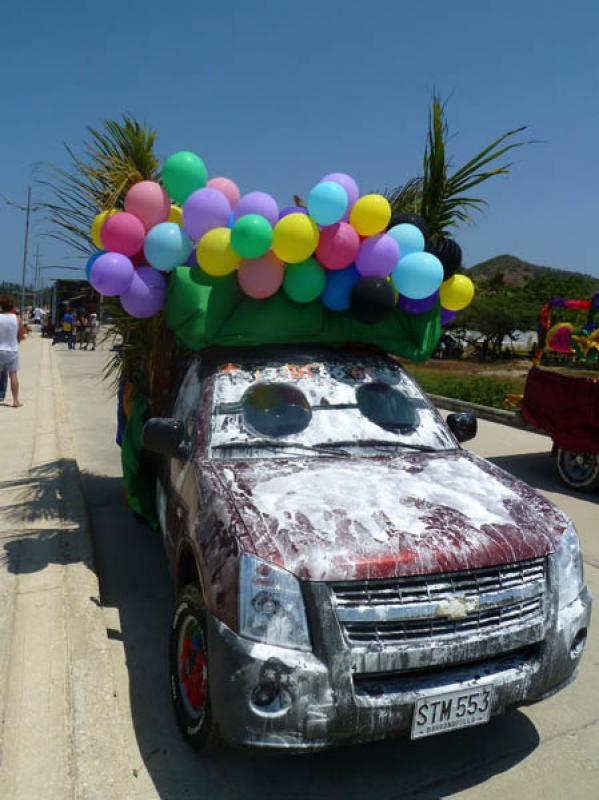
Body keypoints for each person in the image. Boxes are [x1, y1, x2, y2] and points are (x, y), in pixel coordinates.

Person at [0, 295, 24, 407]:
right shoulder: (17, 318)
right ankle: (15, 401)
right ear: (12, 305)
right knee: (13, 374)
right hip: (12, 349)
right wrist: (16, 342)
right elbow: (20, 336)